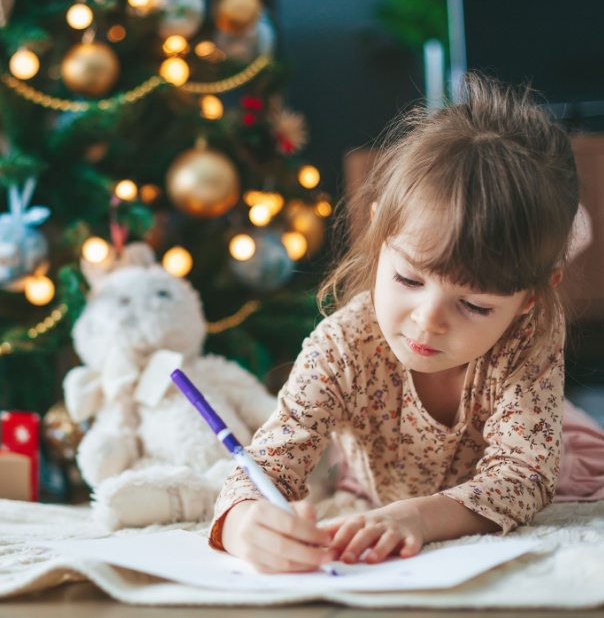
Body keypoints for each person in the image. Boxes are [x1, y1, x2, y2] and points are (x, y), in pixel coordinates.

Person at [211, 73, 604, 572]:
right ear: (380, 228)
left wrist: (417, 517)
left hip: (545, 445)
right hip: (388, 483)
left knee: (563, 451)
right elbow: (266, 462)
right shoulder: (341, 346)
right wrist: (246, 524)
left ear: (529, 298)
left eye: (475, 305)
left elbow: (525, 474)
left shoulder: (531, 337)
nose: (428, 321)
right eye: (409, 279)